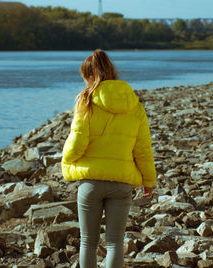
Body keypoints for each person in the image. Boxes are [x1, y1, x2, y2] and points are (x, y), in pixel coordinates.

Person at [61, 49, 156, 268]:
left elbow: (76, 144)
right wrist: (148, 181)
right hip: (121, 183)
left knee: (88, 242)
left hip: (91, 183)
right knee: (114, 242)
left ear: (89, 77)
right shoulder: (135, 105)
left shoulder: (86, 101)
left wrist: (67, 162)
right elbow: (143, 149)